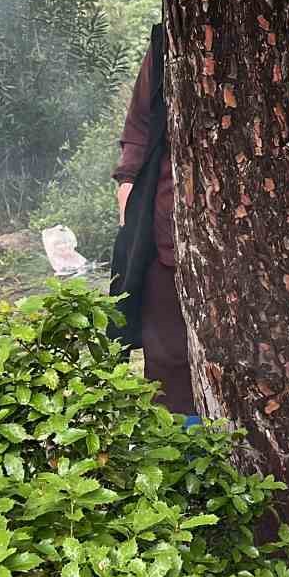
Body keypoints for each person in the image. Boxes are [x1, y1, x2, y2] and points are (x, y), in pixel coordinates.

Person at [112, 24, 196, 422]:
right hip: (166, 229)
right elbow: (140, 124)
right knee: (167, 353)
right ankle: (184, 456)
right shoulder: (170, 40)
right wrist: (128, 181)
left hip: (241, 248)